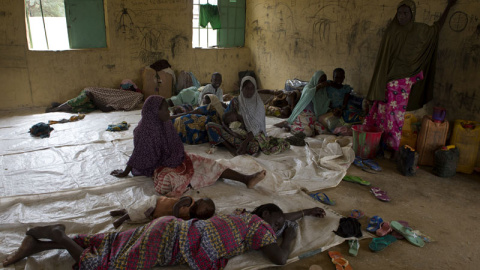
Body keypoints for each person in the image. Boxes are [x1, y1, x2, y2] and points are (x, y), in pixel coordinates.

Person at [2, 204, 326, 268]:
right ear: (266, 217)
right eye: (277, 221)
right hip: (171, 241)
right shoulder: (259, 227)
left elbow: (284, 214)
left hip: (170, 227)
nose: (280, 226)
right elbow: (282, 258)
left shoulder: (240, 216)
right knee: (104, 267)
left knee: (114, 242)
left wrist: (305, 213)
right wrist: (291, 233)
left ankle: (35, 246)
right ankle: (60, 237)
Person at [110, 95, 266, 197]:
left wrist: (178, 160)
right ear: (153, 112)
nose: (168, 111)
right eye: (164, 109)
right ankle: (193, 178)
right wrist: (125, 173)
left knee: (210, 164)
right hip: (159, 167)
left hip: (177, 159)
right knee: (174, 180)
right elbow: (139, 154)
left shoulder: (164, 124)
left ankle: (246, 179)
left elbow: (175, 145)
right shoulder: (144, 131)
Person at [364, 0, 457, 152]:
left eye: (405, 13)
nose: (401, 16)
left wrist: (449, 7)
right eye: (399, 13)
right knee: (380, 115)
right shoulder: (391, 32)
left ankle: (392, 149)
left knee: (395, 118)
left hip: (402, 83)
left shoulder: (419, 31)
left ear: (412, 14)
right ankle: (378, 145)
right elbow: (382, 61)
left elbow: (436, 28)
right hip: (386, 81)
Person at [206, 76, 291, 156]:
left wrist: (244, 142)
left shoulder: (258, 104)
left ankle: (234, 144)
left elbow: (257, 129)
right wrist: (231, 132)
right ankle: (231, 149)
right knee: (210, 126)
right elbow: (224, 120)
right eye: (247, 88)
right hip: (234, 133)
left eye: (252, 88)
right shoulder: (235, 101)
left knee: (254, 148)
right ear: (241, 89)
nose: (249, 91)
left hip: (251, 137)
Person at [109, 196, 215, 228]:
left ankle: (123, 212)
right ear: (200, 201)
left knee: (140, 217)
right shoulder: (189, 201)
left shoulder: (189, 217)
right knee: (140, 211)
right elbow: (176, 206)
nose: (205, 213)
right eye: (205, 209)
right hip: (155, 203)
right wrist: (175, 219)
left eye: (207, 214)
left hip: (156, 214)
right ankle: (121, 218)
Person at [284, 70, 330, 137]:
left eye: (324, 80)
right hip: (303, 114)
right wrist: (318, 86)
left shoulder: (323, 92)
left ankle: (310, 128)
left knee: (324, 132)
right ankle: (290, 125)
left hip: (314, 117)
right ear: (316, 79)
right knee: (307, 133)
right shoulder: (308, 87)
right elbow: (309, 94)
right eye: (321, 80)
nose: (323, 82)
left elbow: (324, 106)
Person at [46, 85, 144, 113]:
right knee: (82, 99)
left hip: (93, 101)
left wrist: (93, 100)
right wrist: (93, 98)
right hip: (90, 93)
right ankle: (57, 108)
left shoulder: (123, 104)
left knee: (83, 109)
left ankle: (61, 105)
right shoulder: (123, 94)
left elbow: (105, 109)